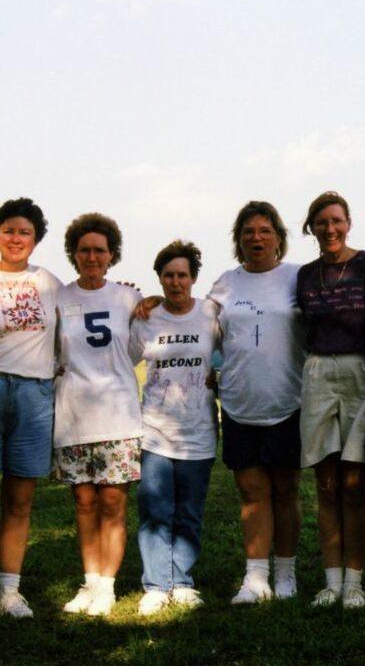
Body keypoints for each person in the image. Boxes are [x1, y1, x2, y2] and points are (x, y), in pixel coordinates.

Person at [296, 192, 365, 609]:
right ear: (312, 228)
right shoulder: (303, 275)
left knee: (355, 484)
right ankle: (331, 581)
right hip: (319, 371)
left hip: (362, 372)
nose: (330, 229)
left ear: (348, 222)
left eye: (336, 221)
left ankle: (355, 581)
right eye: (321, 222)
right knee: (327, 484)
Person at [208, 201, 305, 604]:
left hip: (288, 400)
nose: (256, 238)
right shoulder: (225, 284)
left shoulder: (298, 278)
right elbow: (201, 330)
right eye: (248, 231)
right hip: (239, 404)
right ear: (238, 240)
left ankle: (286, 574)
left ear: (279, 238)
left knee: (285, 491)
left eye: (265, 231)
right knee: (251, 492)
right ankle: (255, 578)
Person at [54, 213, 143, 617]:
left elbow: (138, 350)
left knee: (112, 502)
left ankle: (107, 586)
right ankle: (89, 582)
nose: (92, 256)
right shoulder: (58, 296)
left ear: (112, 256)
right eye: (85, 249)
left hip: (118, 416)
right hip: (72, 415)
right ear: (74, 253)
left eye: (100, 250)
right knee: (84, 503)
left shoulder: (127, 298)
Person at [129, 240, 219, 615]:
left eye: (183, 275)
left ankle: (181, 580)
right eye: (168, 275)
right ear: (160, 279)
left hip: (198, 430)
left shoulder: (211, 314)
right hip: (154, 428)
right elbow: (124, 361)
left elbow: (231, 354)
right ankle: (156, 584)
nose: (176, 282)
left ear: (194, 278)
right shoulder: (146, 318)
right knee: (155, 509)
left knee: (189, 511)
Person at [0, 198, 61, 619]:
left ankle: (9, 590)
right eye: (8, 230)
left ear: (36, 240)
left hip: (35, 393)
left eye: (24, 232)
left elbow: (94, 304)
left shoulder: (50, 282)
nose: (16, 238)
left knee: (20, 499)